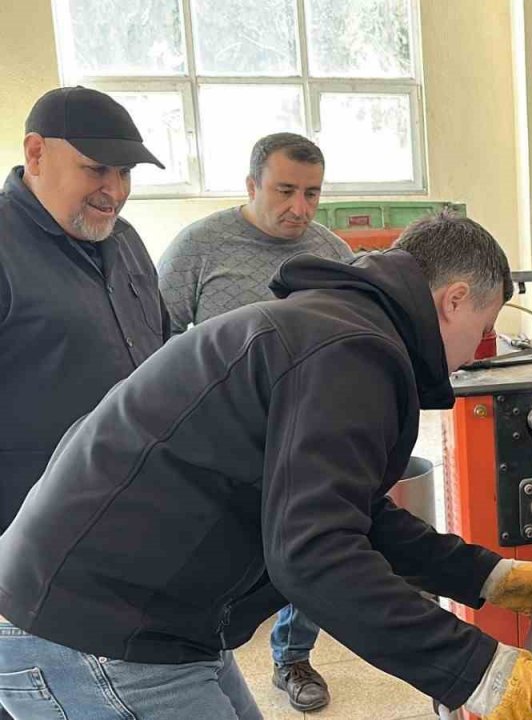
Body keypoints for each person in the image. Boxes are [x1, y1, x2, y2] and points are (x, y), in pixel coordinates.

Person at [0, 215, 532, 719]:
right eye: (484, 329)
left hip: (149, 615)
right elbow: (314, 553)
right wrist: (480, 670)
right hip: (91, 629)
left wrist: (483, 577)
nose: (480, 349)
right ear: (454, 298)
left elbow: (346, 510)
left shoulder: (335, 329)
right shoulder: (348, 352)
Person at [157, 131, 354, 712]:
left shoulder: (332, 255)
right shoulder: (198, 247)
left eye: (312, 194)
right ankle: (198, 649)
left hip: (308, 433)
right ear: (251, 185)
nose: (300, 208)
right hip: (219, 440)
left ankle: (293, 657)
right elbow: (154, 340)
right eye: (285, 190)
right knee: (215, 553)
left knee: (316, 545)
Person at [0, 86, 168, 531]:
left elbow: (163, 357)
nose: (114, 191)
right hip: (28, 537)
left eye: (125, 172)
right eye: (96, 169)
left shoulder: (126, 241)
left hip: (135, 512)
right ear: (36, 155)